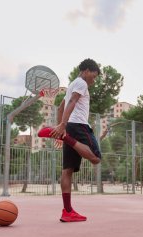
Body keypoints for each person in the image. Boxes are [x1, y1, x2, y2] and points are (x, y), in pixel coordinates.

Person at [38, 58, 101, 222]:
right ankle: (67, 138)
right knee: (96, 158)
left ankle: (67, 211)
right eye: (93, 76)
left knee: (68, 170)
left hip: (70, 127)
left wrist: (62, 126)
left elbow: (61, 107)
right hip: (79, 125)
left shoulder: (72, 84)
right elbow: (72, 102)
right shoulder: (81, 83)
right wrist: (63, 129)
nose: (93, 81)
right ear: (86, 71)